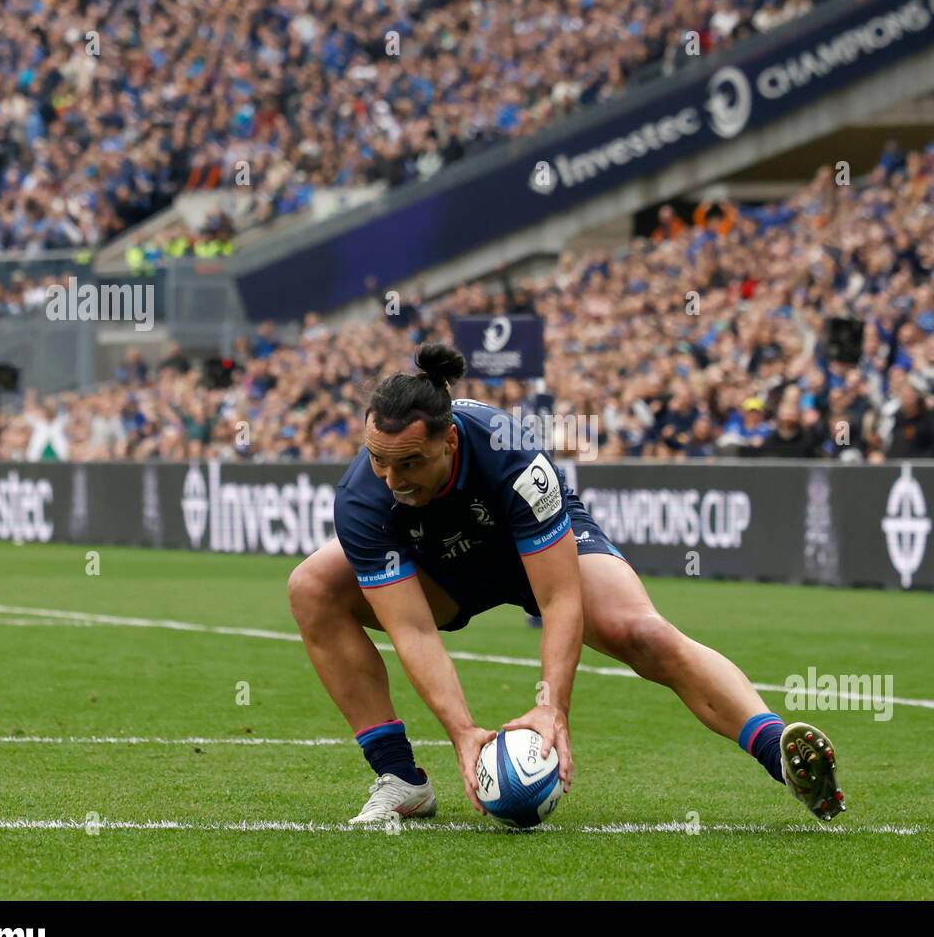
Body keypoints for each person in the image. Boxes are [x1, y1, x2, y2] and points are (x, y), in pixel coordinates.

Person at [288, 344, 845, 824]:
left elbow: (557, 598)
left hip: (533, 547)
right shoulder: (364, 499)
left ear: (449, 441)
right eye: (378, 462)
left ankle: (782, 757)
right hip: (442, 568)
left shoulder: (509, 452)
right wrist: (462, 733)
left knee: (641, 633)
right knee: (312, 584)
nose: (393, 481)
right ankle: (401, 779)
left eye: (409, 463)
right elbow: (411, 630)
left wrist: (553, 707)